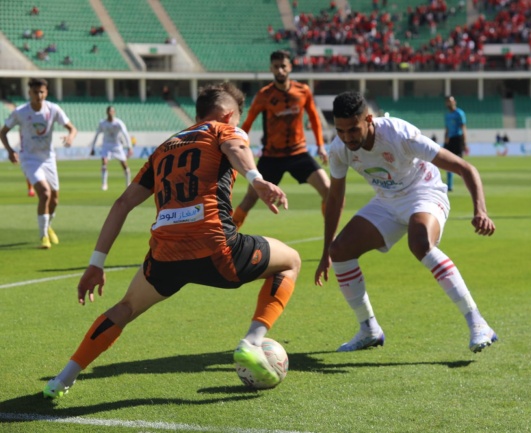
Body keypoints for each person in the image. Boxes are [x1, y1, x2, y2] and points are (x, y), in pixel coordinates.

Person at [43, 82, 301, 399]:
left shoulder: (165, 147)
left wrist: (96, 264)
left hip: (166, 253)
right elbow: (237, 149)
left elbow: (122, 203)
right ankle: (251, 341)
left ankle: (62, 380)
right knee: (290, 261)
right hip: (215, 246)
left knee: (124, 308)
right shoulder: (224, 130)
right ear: (229, 114)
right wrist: (257, 179)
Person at [314, 91, 498, 354]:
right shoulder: (339, 149)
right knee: (340, 251)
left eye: (353, 130)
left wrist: (480, 210)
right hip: (387, 201)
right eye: (340, 131)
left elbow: (465, 168)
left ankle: (477, 322)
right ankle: (369, 330)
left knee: (420, 242)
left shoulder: (399, 134)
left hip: (424, 192)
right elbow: (335, 199)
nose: (347, 137)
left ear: (368, 119)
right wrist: (325, 253)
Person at [232, 50, 330, 229]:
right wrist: (238, 147)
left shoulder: (303, 91)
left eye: (283, 66)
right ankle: (225, 240)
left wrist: (320, 146)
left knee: (329, 191)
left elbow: (315, 118)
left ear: (290, 67)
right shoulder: (264, 95)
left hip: (298, 153)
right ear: (271, 69)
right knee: (249, 199)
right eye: (276, 67)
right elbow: (247, 123)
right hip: (271, 157)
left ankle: (331, 239)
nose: (280, 70)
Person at [0, 78, 77, 249]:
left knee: (55, 200)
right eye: (35, 92)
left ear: (46, 92)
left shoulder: (53, 109)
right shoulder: (21, 112)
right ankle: (43, 236)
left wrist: (70, 136)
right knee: (44, 193)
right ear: (30, 93)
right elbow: (3, 132)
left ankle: (48, 225)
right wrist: (10, 150)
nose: (39, 95)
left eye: (42, 92)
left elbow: (72, 128)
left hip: (48, 159)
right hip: (29, 159)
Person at [90, 106, 133, 190]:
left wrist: (129, 147)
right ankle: (104, 184)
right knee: (104, 163)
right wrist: (92, 147)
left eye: (112, 111)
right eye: (109, 111)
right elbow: (96, 134)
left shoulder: (119, 123)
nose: (110, 113)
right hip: (106, 145)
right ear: (107, 112)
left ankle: (128, 183)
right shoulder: (103, 123)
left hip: (117, 146)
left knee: (124, 165)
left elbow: (126, 134)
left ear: (114, 112)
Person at [443, 95, 467, 192]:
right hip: (450, 140)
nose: (450, 103)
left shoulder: (459, 113)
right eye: (448, 101)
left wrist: (464, 142)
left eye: (451, 101)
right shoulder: (447, 115)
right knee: (447, 162)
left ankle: (468, 182)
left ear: (454, 102)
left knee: (460, 163)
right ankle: (449, 185)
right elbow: (447, 129)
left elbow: (463, 127)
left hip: (458, 139)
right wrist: (445, 140)